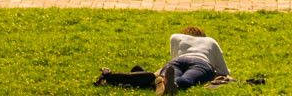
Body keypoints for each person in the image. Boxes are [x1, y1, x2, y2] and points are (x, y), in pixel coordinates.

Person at [95, 25, 232, 91]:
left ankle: (111, 77)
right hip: (201, 62)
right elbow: (224, 71)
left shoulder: (176, 37)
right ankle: (172, 85)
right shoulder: (210, 41)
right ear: (203, 35)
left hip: (178, 61)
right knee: (186, 81)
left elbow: (174, 57)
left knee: (166, 75)